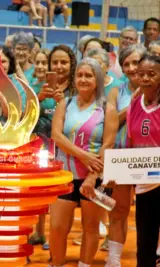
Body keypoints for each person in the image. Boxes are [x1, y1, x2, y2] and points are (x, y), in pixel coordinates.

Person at [50, 58, 118, 267]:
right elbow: (56, 136)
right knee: (57, 227)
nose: (83, 79)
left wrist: (92, 177)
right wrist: (83, 155)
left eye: (88, 75)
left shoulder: (108, 108)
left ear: (97, 80)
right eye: (80, 75)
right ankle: (57, 264)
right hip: (65, 175)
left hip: (93, 178)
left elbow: (108, 145)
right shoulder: (66, 103)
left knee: (90, 228)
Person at [105, 44, 147, 267]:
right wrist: (133, 100)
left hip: (149, 158)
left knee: (151, 211)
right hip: (121, 157)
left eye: (136, 62)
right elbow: (111, 124)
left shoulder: (156, 87)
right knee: (118, 210)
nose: (131, 68)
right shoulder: (116, 91)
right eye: (126, 64)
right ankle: (113, 260)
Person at [127, 54, 160, 267]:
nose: (146, 78)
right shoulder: (134, 102)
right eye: (141, 74)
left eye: (152, 74)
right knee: (145, 245)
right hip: (143, 184)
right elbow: (131, 141)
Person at [28, 48, 53, 251]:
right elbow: (25, 114)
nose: (41, 66)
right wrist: (38, 97)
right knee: (34, 192)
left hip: (54, 146)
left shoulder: (61, 89)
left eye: (45, 62)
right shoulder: (30, 88)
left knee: (51, 192)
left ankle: (48, 235)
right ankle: (37, 232)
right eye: (38, 62)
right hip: (35, 145)